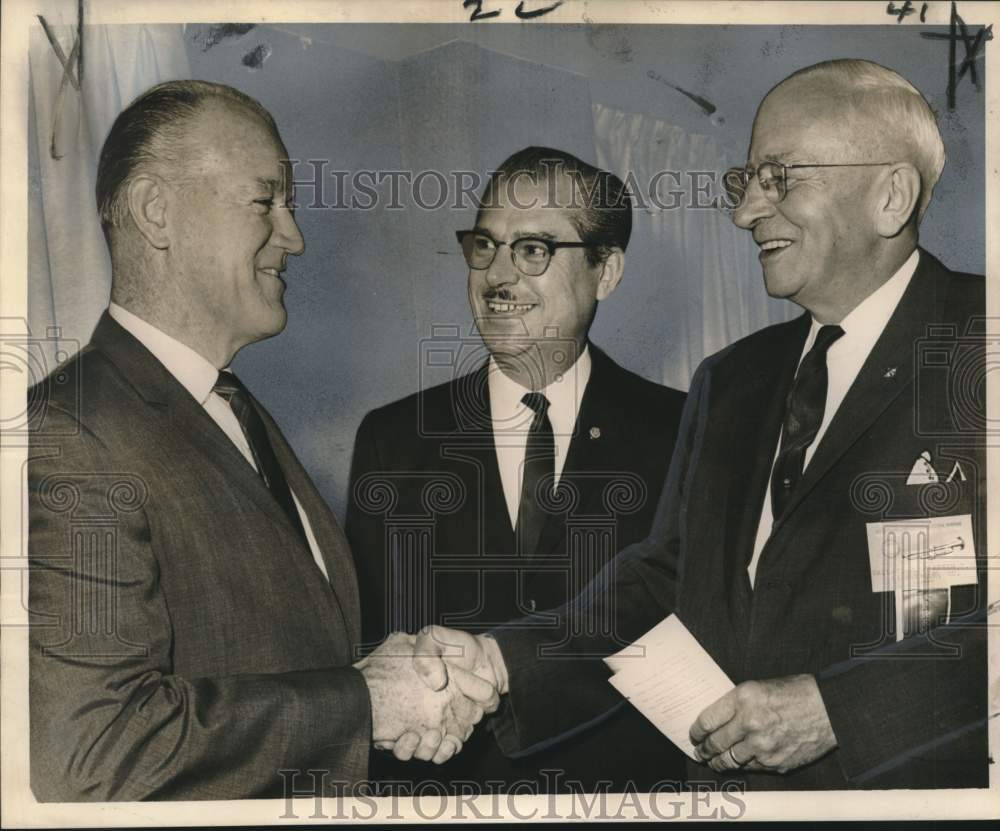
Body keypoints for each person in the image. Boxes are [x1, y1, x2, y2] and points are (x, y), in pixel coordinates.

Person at [404, 59, 988, 790]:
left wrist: (841, 710)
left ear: (890, 195)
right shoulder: (732, 380)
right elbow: (663, 582)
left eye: (779, 178)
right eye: (746, 183)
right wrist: (499, 662)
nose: (746, 214)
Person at [27, 80, 491, 802]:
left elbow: (272, 650)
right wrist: (363, 704)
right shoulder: (70, 433)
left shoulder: (235, 408)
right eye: (265, 200)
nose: (295, 235)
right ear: (158, 212)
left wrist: (392, 685)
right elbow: (94, 753)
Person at [346, 147, 686, 791]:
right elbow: (376, 651)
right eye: (485, 245)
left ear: (605, 270)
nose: (497, 276)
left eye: (532, 249)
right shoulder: (393, 441)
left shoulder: (684, 431)